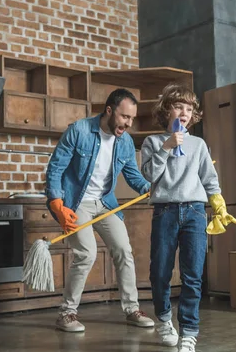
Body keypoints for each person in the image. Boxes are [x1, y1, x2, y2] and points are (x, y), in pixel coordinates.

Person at [140, 84, 236, 352]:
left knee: (193, 276)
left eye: (189, 108)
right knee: (160, 272)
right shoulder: (152, 142)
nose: (184, 112)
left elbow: (209, 177)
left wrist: (217, 202)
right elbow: (150, 175)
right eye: (178, 106)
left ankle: (189, 335)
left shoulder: (198, 145)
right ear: (166, 110)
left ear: (193, 115)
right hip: (165, 213)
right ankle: (163, 319)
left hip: (195, 212)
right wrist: (167, 147)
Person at [46, 88, 155, 332]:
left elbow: (133, 176)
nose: (128, 124)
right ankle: (67, 313)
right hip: (77, 203)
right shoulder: (79, 131)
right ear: (109, 110)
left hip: (105, 203)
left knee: (123, 251)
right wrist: (57, 204)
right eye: (125, 117)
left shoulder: (125, 141)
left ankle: (132, 309)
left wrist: (150, 188)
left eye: (132, 119)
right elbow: (55, 168)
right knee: (87, 253)